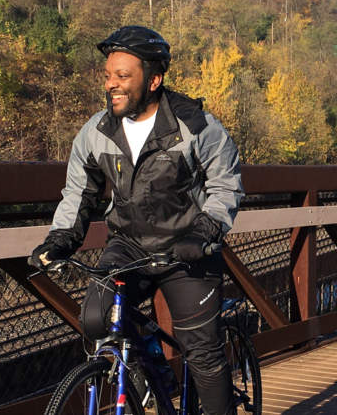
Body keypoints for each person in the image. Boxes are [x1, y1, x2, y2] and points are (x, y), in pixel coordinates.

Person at [28, 26, 243, 415]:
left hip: (187, 250)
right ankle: (151, 374)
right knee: (96, 319)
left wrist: (205, 231)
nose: (112, 84)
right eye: (109, 76)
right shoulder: (96, 132)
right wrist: (60, 239)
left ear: (154, 79)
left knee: (204, 354)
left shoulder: (196, 126)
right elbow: (80, 193)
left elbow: (226, 186)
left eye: (123, 76)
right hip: (128, 246)